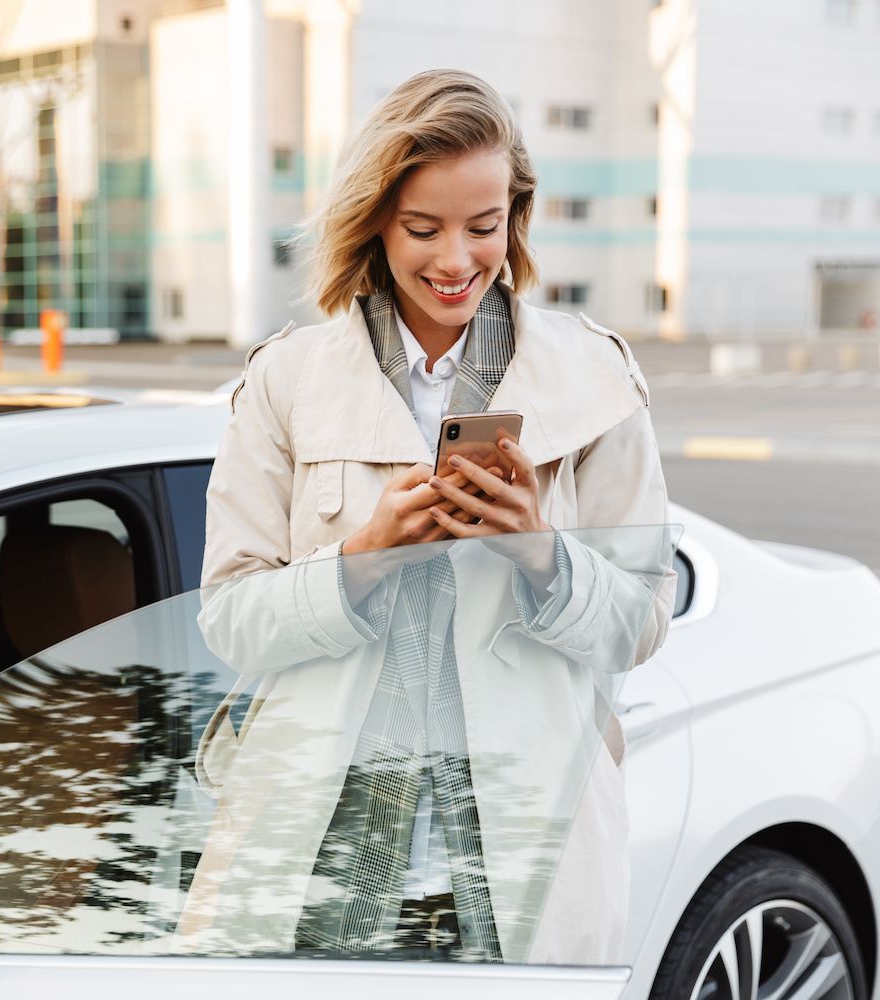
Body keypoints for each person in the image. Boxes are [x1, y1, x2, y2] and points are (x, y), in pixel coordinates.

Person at [177, 69, 678, 964]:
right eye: (423, 228)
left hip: (526, 859)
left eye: (483, 227)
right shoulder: (287, 382)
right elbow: (230, 621)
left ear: (514, 215)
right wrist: (360, 558)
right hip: (315, 869)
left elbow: (642, 624)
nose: (456, 261)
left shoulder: (593, 377)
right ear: (374, 218)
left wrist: (542, 554)